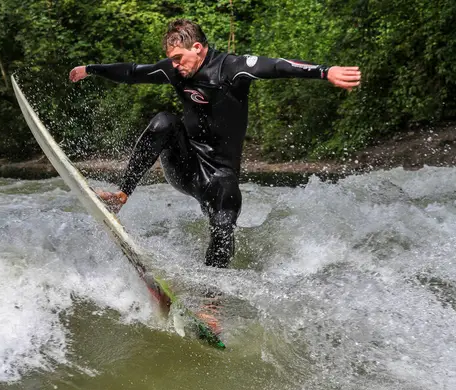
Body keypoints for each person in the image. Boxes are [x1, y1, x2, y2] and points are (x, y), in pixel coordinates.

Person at [69, 19, 360, 268]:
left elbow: (277, 66)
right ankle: (120, 196)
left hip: (219, 177)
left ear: (197, 47)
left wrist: (325, 71)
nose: (175, 65)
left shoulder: (231, 68)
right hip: (185, 167)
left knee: (223, 224)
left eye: (179, 58)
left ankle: (211, 301)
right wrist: (91, 69)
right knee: (164, 122)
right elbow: (133, 72)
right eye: (171, 59)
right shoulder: (174, 69)